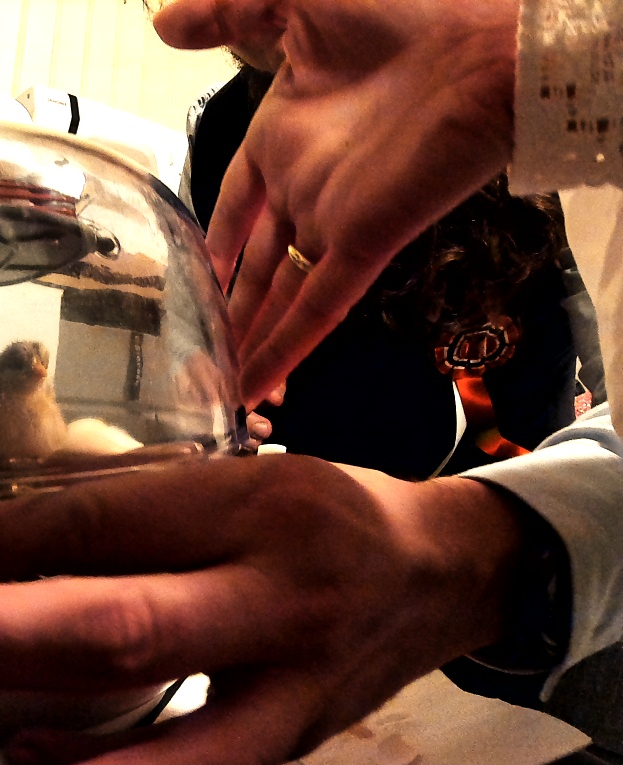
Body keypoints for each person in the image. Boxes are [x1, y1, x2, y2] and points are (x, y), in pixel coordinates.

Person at [0, 3, 623, 765]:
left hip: (510, 540)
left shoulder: (559, 139)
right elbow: (216, 308)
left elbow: (563, 410)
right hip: (317, 525)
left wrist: (479, 551)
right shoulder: (228, 125)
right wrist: (211, 383)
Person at [182, 64, 577, 479]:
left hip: (472, 473)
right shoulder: (221, 124)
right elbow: (191, 326)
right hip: (277, 469)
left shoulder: (561, 152)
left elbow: (556, 464)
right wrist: (200, 392)